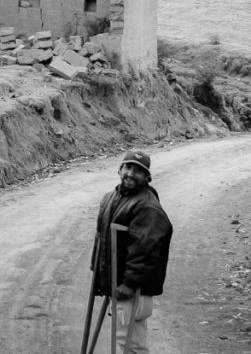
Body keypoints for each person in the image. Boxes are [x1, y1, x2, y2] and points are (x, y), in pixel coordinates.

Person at [90, 150, 173, 354]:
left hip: (132, 288)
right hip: (118, 285)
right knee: (128, 341)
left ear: (147, 177)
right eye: (128, 167)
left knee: (130, 345)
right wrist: (99, 275)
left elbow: (146, 248)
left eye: (138, 171)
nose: (131, 173)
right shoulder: (111, 197)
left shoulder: (147, 207)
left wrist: (129, 283)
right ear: (119, 170)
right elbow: (102, 238)